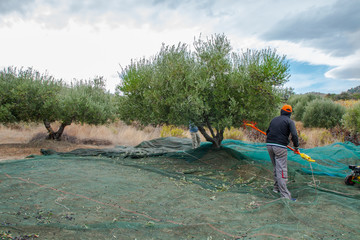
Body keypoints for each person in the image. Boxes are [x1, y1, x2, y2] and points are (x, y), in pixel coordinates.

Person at [266, 104, 299, 201]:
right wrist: (296, 147)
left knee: (276, 167)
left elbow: (268, 132)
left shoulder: (274, 119)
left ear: (281, 111)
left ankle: (276, 189)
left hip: (269, 145)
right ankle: (285, 196)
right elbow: (294, 135)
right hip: (280, 147)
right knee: (282, 170)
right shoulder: (289, 121)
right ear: (290, 113)